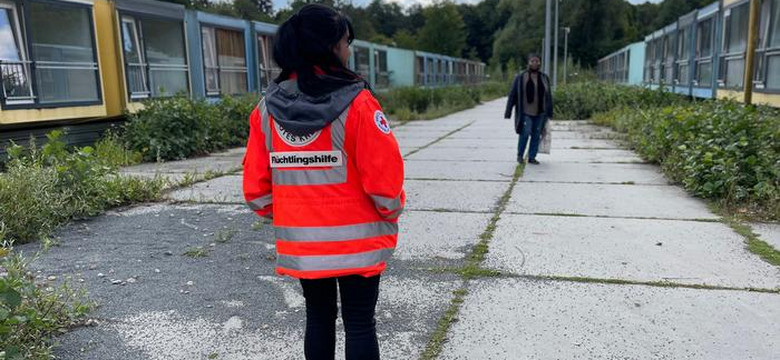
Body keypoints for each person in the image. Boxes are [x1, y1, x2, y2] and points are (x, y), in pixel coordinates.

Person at [242, 4, 405, 360]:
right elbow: (385, 182)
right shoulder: (359, 104)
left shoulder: (266, 109)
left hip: (304, 244)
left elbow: (256, 190)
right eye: (346, 41)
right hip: (359, 244)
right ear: (330, 46)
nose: (348, 50)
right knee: (360, 324)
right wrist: (390, 212)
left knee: (318, 318)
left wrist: (292, 213)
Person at [504, 53, 553, 164]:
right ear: (528, 63)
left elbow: (548, 96)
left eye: (537, 61)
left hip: (540, 112)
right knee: (525, 133)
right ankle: (520, 155)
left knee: (536, 135)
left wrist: (550, 112)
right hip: (526, 112)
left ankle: (532, 157)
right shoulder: (521, 77)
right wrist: (508, 112)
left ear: (540, 63)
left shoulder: (544, 78)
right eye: (532, 61)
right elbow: (513, 94)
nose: (535, 63)